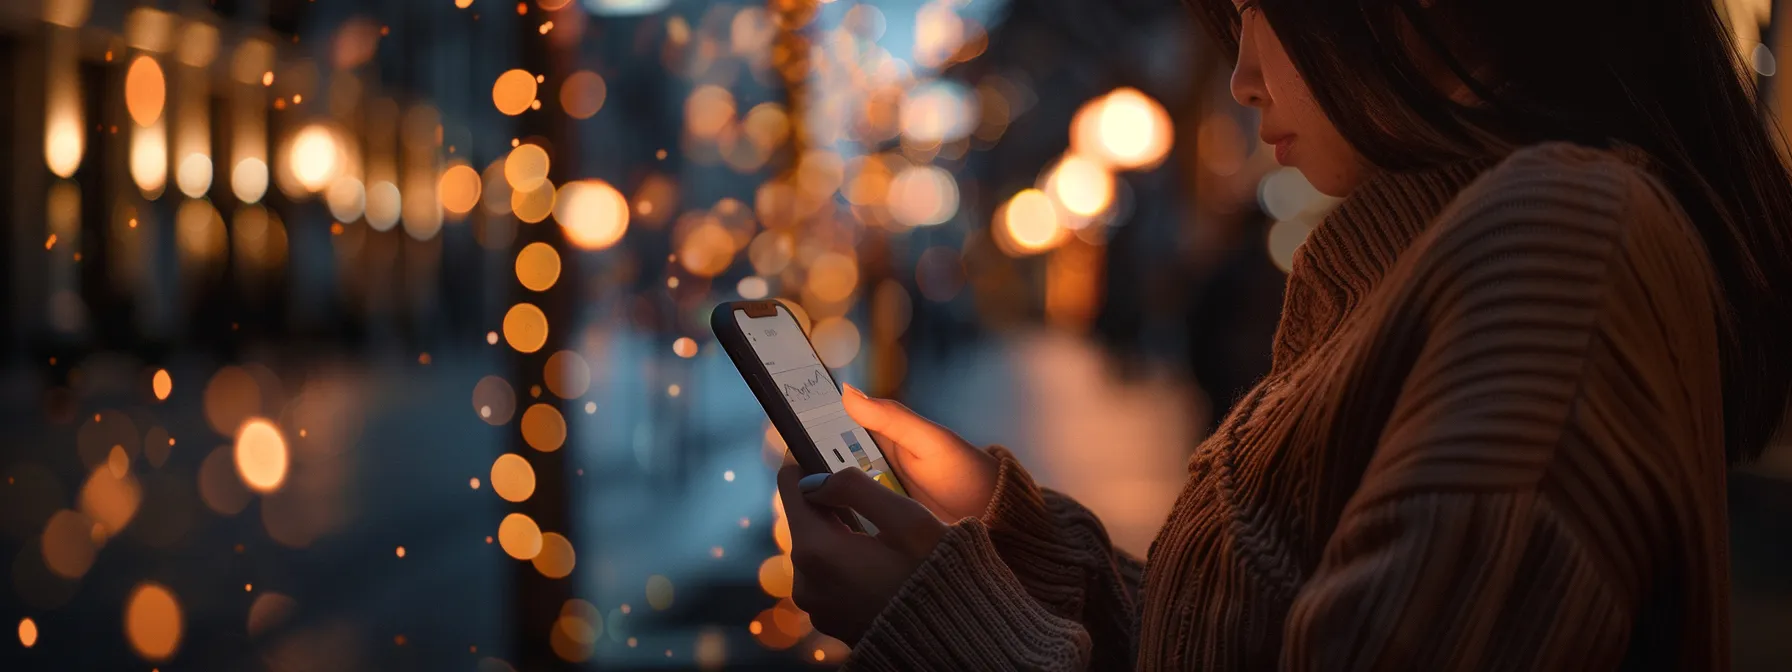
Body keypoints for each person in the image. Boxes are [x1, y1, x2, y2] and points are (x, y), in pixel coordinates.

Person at [776, 0, 1792, 668]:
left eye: (1267, 13)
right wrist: (1006, 536)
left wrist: (946, 628)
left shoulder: (1557, 246)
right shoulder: (1419, 259)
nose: (1243, 77)